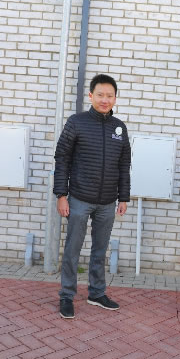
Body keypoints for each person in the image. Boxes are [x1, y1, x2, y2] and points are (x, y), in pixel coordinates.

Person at [53, 74, 130, 318]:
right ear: (91, 96)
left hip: (107, 202)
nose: (105, 99)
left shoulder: (120, 127)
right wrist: (61, 195)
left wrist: (123, 197)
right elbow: (61, 158)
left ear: (115, 98)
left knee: (100, 250)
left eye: (110, 96)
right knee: (73, 249)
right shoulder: (76, 122)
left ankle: (97, 293)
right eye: (100, 95)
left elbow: (124, 164)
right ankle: (67, 295)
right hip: (79, 199)